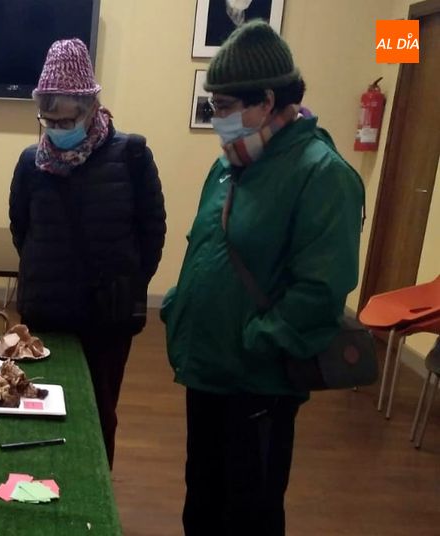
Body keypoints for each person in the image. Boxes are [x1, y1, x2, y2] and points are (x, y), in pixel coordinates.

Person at [160, 22, 364, 536]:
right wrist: (180, 304)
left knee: (249, 512)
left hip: (258, 381)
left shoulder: (323, 174)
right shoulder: (233, 164)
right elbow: (203, 248)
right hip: (208, 368)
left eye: (224, 106)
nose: (218, 119)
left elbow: (321, 289)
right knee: (202, 502)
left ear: (268, 100)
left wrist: (258, 341)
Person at [8, 39, 166, 465]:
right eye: (49, 119)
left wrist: (127, 282)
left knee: (98, 413)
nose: (58, 128)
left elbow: (152, 232)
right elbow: (21, 229)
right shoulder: (29, 163)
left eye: (67, 119)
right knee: (38, 405)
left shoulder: (132, 155)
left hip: (107, 317)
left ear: (91, 107)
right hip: (46, 314)